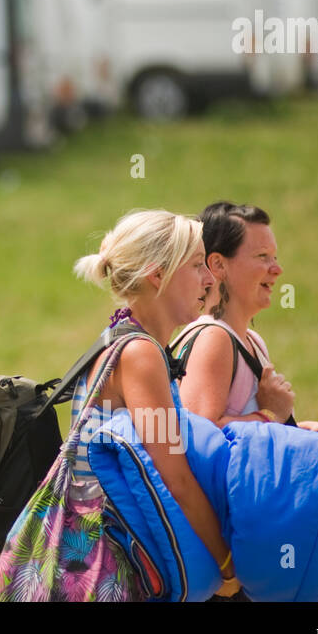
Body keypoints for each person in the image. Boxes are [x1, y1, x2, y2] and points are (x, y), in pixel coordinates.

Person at [64, 209, 240, 599]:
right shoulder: (139, 355)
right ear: (157, 275)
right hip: (106, 564)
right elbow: (172, 474)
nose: (210, 279)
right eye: (197, 266)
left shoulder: (128, 339)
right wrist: (227, 563)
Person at [176, 202, 318, 436]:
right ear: (218, 264)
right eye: (262, 256)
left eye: (274, 257)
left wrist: (303, 430)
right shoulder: (213, 338)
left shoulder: (250, 340)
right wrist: (270, 415)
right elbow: (199, 436)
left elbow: (245, 429)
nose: (277, 269)